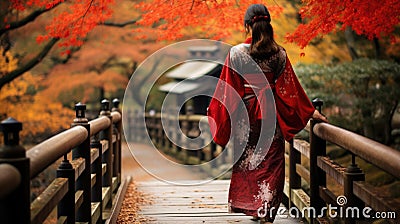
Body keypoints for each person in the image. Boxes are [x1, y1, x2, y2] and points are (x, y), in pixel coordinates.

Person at [207, 4, 327, 223]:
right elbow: (291, 90)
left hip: (245, 117)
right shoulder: (279, 53)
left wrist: (216, 114)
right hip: (270, 115)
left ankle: (253, 206)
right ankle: (266, 209)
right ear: (269, 25)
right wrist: (310, 112)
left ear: (247, 26)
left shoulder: (236, 53)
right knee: (272, 161)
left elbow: (228, 91)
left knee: (248, 161)